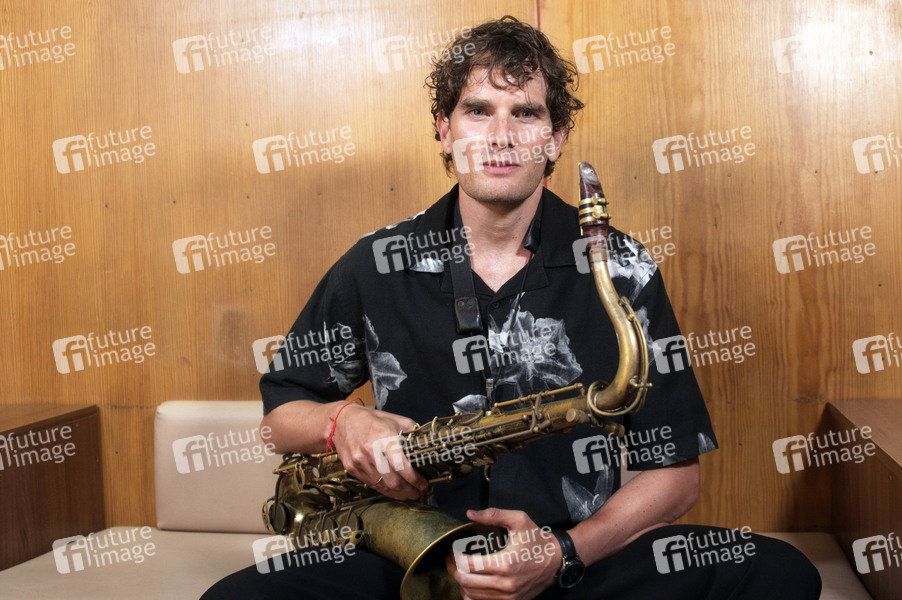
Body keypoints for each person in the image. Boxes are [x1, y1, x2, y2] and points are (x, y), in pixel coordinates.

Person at [202, 15, 821, 600]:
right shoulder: (375, 262)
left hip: (572, 562)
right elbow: (279, 419)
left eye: (526, 113)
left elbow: (677, 478)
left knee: (777, 573)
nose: (500, 137)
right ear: (444, 129)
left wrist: (562, 553)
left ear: (555, 139)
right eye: (478, 110)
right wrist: (343, 421)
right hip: (411, 556)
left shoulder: (622, 267)